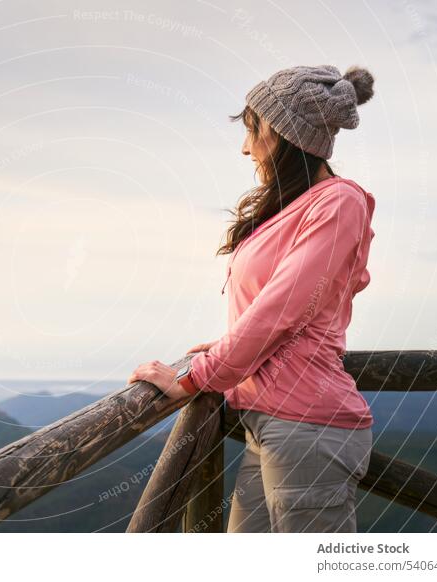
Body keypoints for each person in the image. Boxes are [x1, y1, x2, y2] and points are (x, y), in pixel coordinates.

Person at [128, 65, 376, 533]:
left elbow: (283, 307)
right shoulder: (296, 207)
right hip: (268, 423)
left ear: (284, 135)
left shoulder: (338, 202)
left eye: (252, 131)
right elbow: (282, 307)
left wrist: (197, 377)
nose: (245, 147)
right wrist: (224, 348)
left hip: (307, 427)